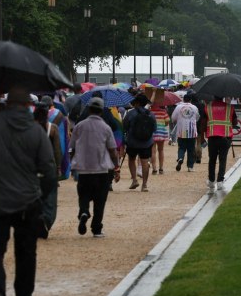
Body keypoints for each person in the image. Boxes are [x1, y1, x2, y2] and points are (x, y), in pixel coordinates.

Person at [0, 86, 55, 296]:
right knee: (27, 252)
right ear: (28, 106)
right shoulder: (37, 131)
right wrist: (41, 195)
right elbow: (48, 169)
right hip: (28, 200)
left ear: (6, 104)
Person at [68, 97, 117, 239]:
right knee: (100, 200)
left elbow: (72, 147)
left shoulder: (79, 126)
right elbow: (113, 150)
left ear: (89, 109)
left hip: (83, 169)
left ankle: (83, 211)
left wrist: (73, 162)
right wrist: (116, 165)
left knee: (83, 195)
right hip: (101, 169)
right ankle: (96, 228)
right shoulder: (106, 128)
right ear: (101, 111)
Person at [32, 103, 62, 237]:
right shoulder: (52, 128)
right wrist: (59, 167)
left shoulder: (28, 129)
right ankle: (46, 220)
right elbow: (57, 151)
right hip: (49, 168)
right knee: (50, 198)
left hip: (32, 168)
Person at [122, 94, 154, 192]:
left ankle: (134, 180)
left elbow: (124, 127)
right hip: (146, 142)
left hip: (132, 142)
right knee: (145, 162)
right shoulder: (150, 114)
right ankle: (144, 185)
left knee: (131, 159)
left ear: (137, 103)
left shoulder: (130, 114)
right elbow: (154, 128)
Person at [206, 95, 237, 193]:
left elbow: (203, 122)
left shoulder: (208, 107)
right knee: (223, 159)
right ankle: (220, 181)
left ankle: (211, 181)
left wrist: (201, 137)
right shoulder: (229, 107)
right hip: (225, 137)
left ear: (214, 96)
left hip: (212, 136)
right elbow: (235, 122)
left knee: (212, 159)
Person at [169, 92, 201, 172]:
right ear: (190, 100)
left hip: (181, 131)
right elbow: (197, 118)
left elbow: (173, 118)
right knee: (191, 149)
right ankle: (190, 166)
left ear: (183, 99)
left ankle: (180, 158)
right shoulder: (194, 107)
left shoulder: (178, 107)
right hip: (192, 131)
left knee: (181, 147)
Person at [148, 96, 169, 175]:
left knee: (153, 151)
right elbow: (167, 121)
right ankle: (161, 168)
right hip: (161, 133)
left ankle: (154, 169)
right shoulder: (163, 111)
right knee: (161, 150)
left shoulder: (150, 112)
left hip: (152, 133)